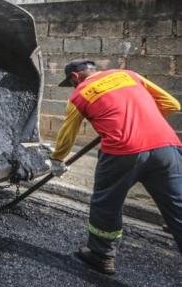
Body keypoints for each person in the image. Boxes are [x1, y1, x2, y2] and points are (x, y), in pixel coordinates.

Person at [51, 58, 182, 274]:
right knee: (178, 206)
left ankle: (101, 255)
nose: (73, 87)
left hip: (123, 151)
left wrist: (57, 159)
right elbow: (172, 105)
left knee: (107, 203)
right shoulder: (128, 75)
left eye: (71, 83)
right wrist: (137, 119)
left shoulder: (80, 94)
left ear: (75, 76)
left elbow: (68, 133)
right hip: (166, 146)